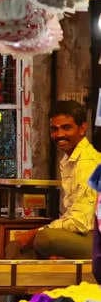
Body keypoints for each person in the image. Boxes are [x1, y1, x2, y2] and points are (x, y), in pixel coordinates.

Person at [7, 101, 101, 259]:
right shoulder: (70, 160)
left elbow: (80, 222)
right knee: (18, 245)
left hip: (95, 239)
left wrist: (37, 232)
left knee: (44, 239)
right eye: (54, 129)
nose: (59, 135)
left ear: (82, 128)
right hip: (86, 236)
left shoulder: (88, 163)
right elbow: (72, 215)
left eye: (66, 127)